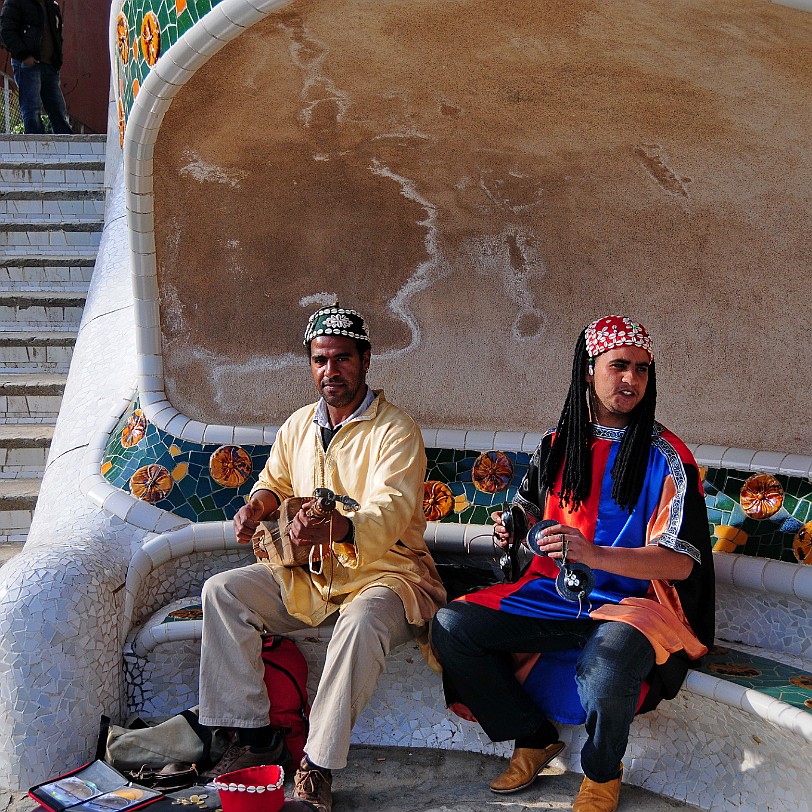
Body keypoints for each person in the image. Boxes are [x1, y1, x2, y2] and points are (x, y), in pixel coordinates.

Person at [431, 315, 714, 812]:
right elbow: (530, 511)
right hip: (555, 595)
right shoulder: (558, 443)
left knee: (606, 670)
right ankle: (532, 737)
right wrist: (514, 527)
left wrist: (593, 554)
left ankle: (602, 773)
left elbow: (678, 564)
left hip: (635, 606)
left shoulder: (669, 456)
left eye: (641, 369)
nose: (631, 379)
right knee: (453, 627)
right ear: (588, 370)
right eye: (618, 366)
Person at [198, 304, 446, 812]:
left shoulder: (396, 430)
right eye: (320, 360)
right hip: (310, 575)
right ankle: (254, 739)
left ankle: (317, 765)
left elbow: (391, 509)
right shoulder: (298, 425)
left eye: (342, 359)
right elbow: (274, 481)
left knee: (359, 623)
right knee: (222, 592)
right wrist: (256, 507)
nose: (330, 371)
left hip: (388, 576)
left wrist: (340, 527)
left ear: (366, 360)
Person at [0, 0, 72, 134]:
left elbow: (56, 34)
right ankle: (35, 143)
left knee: (57, 109)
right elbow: (6, 31)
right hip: (28, 65)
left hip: (50, 65)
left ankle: (67, 142)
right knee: (31, 109)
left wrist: (56, 60)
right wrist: (24, 56)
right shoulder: (16, 2)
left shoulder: (51, 4)